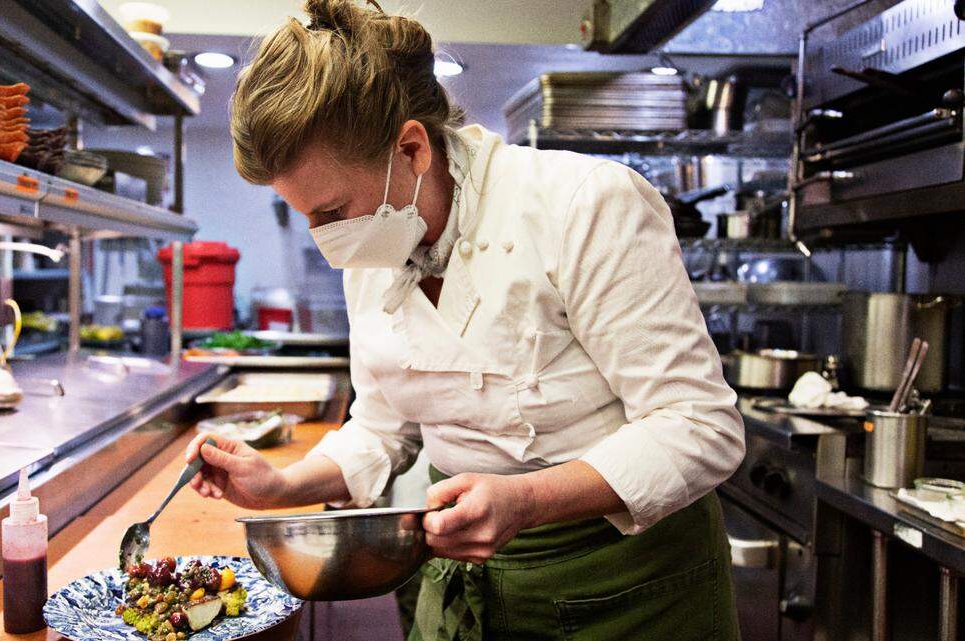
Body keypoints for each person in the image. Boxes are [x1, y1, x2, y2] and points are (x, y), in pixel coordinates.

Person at [187, 1, 745, 638]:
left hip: (625, 587)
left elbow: (700, 427)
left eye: (330, 210)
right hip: (460, 582)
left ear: (411, 148)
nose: (323, 238)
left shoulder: (584, 204)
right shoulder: (373, 240)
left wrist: (526, 500)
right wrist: (279, 486)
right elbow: (381, 428)